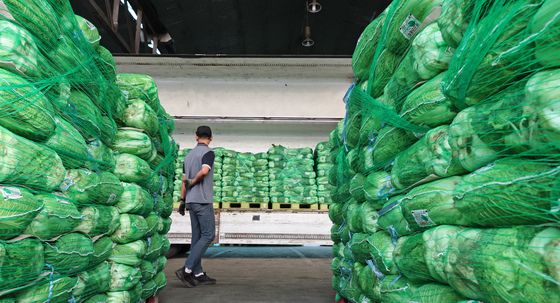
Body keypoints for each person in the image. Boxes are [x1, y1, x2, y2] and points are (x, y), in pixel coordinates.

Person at [175, 126, 217, 287]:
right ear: (211, 138)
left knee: (197, 237)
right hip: (203, 201)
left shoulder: (188, 156)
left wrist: (182, 200)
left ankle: (198, 273)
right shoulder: (208, 153)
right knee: (208, 235)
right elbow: (205, 171)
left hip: (191, 201)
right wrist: (194, 181)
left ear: (196, 137)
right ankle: (186, 270)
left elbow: (183, 181)